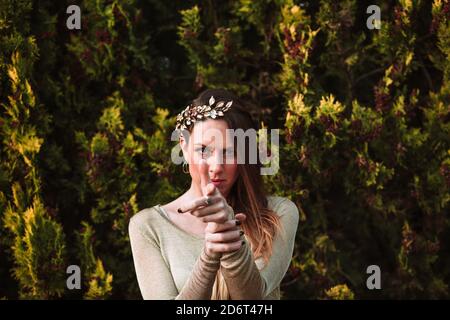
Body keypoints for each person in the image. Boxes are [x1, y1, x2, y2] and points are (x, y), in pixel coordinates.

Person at [128, 88, 299, 299]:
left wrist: (230, 239)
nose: (217, 166)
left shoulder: (279, 213)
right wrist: (210, 255)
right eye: (203, 150)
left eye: (230, 151)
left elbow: (253, 300)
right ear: (184, 146)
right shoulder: (149, 226)